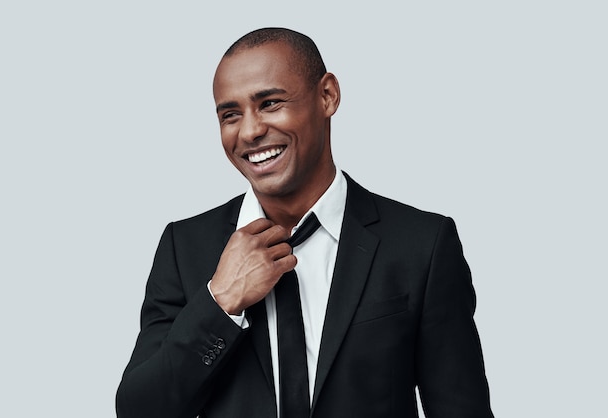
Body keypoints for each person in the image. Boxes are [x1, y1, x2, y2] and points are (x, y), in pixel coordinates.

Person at [116, 27, 494, 418]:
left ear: (327, 96)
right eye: (230, 115)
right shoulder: (185, 247)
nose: (249, 131)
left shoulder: (422, 246)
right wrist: (220, 302)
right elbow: (139, 410)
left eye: (270, 103)